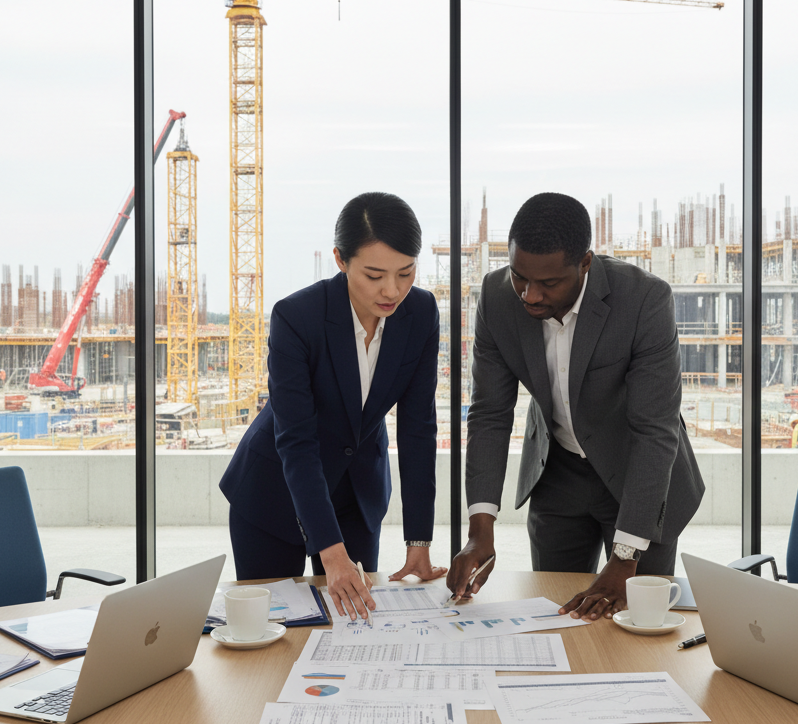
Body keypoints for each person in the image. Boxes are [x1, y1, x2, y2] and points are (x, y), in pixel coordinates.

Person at [447, 191, 704, 622]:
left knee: (635, 622)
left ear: (585, 263)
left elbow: (654, 430)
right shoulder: (495, 298)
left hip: (639, 475)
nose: (529, 295)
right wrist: (480, 530)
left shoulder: (644, 300)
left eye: (548, 284)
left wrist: (625, 559)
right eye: (519, 277)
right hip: (557, 475)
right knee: (556, 614)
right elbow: (490, 414)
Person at [220, 192, 446, 622]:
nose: (392, 290)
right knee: (274, 632)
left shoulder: (420, 312)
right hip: (276, 491)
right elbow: (298, 441)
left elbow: (418, 427)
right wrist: (330, 552)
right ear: (341, 260)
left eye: (406, 272)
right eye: (375, 275)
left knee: (355, 628)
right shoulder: (297, 317)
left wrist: (419, 540)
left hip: (357, 494)